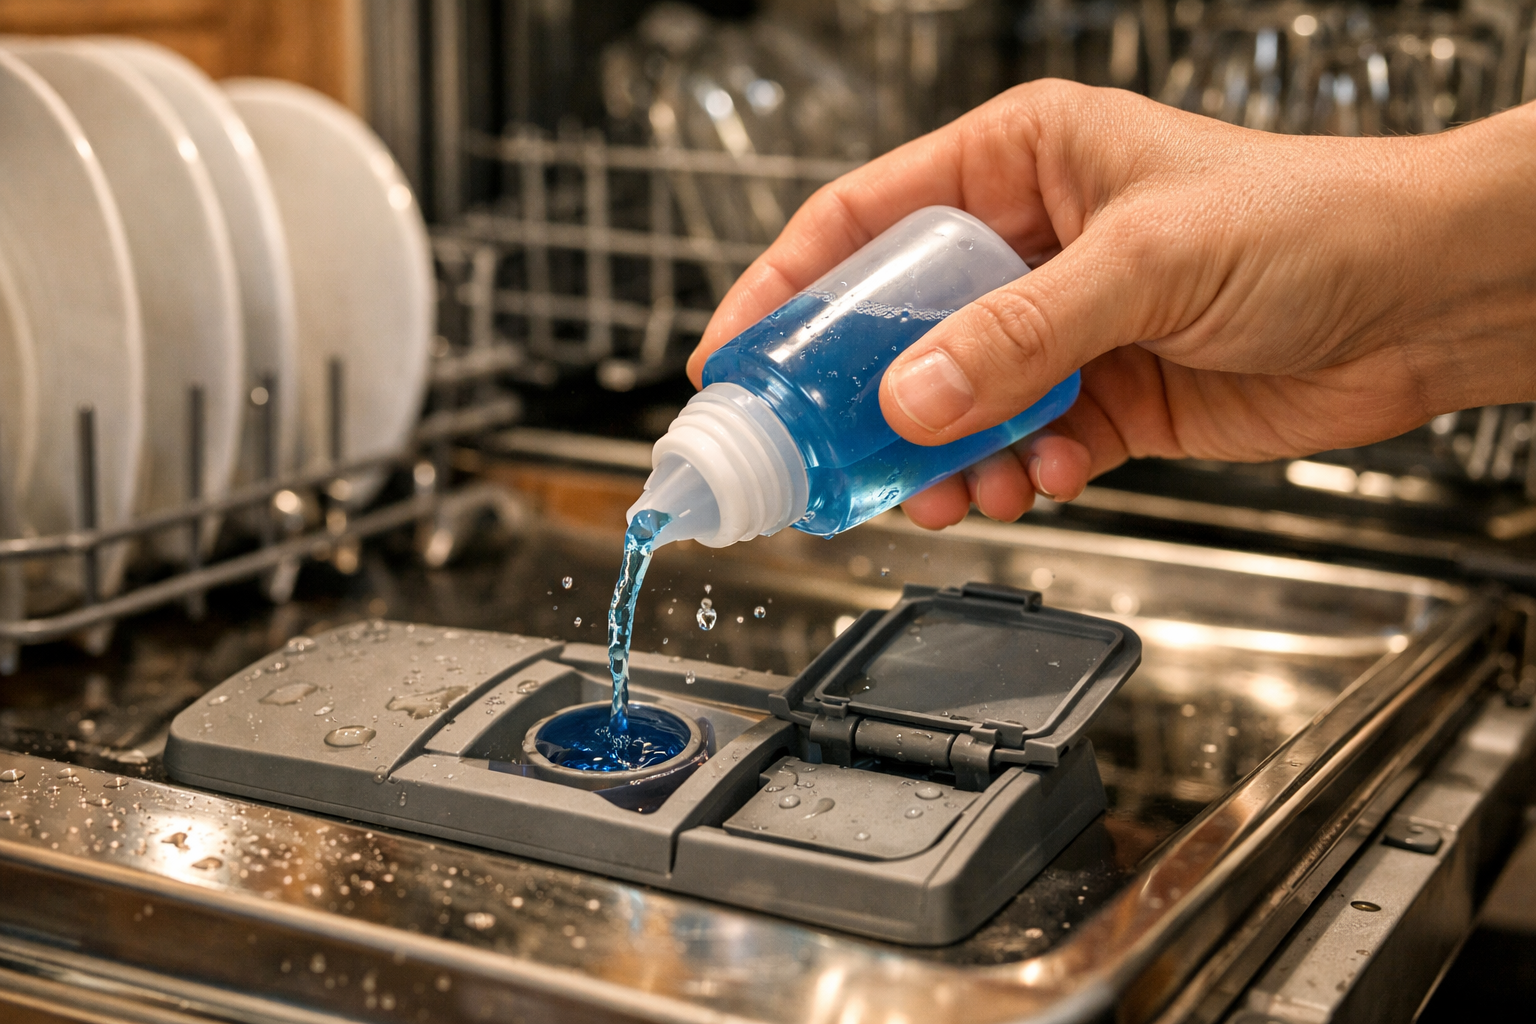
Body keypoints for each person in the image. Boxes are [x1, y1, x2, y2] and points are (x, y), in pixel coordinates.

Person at [688, 80, 1536, 530]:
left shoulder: (815, 471)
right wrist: (1414, 325)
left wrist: (1009, 343)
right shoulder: (824, 498)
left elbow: (1011, 338)